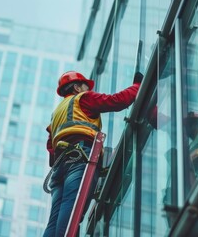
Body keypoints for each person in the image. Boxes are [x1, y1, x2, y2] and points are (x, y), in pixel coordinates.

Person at [43, 70, 143, 237]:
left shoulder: (56, 114)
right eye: (85, 86)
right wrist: (138, 86)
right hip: (79, 158)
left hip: (60, 168)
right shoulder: (83, 99)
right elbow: (116, 101)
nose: (88, 90)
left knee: (54, 221)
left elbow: (51, 150)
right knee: (70, 211)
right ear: (76, 87)